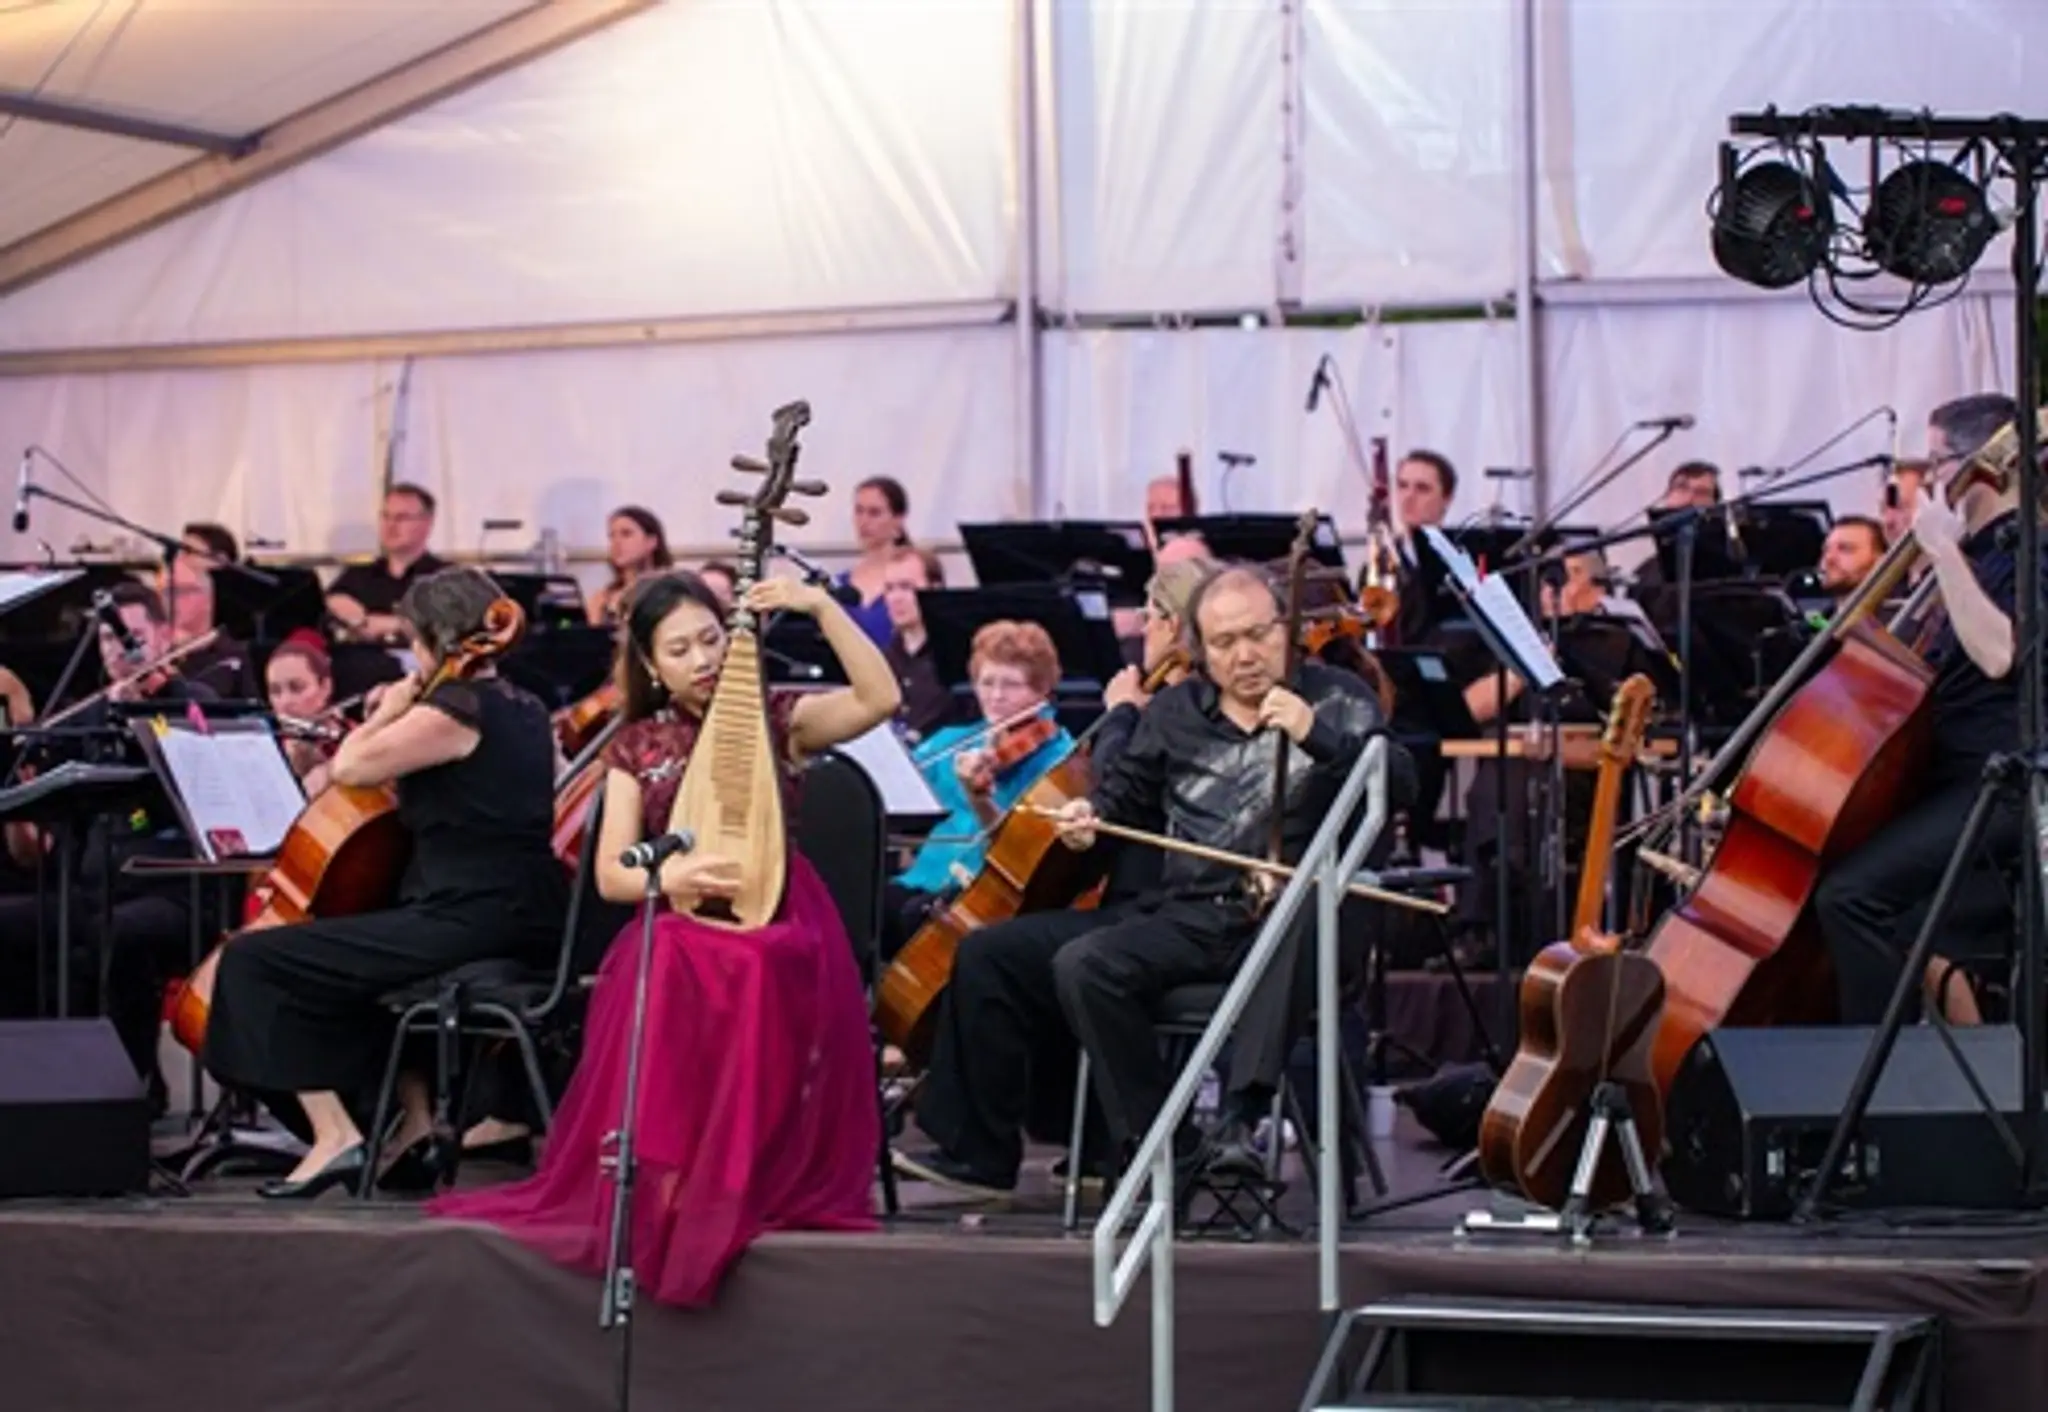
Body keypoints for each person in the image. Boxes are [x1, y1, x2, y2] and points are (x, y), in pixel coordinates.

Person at [428, 568, 900, 1307]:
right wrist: (671, 882)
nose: (703, 659)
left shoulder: (777, 720)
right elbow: (615, 874)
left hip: (777, 920)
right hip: (682, 919)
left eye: (712, 639)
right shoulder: (635, 746)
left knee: (740, 961)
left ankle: (736, 1179)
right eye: (680, 649)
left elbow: (881, 699)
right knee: (670, 952)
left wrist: (819, 606)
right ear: (651, 665)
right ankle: (675, 1177)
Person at [900, 565, 1411, 1194]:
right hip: (1193, 916)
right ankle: (1171, 1146)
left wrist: (1318, 736)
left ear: (1286, 631)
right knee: (1082, 963)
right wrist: (1095, 817)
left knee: (1306, 906)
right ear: (1199, 650)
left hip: (1294, 924)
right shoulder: (1174, 711)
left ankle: (1238, 1120)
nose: (1245, 656)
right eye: (1224, 643)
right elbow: (1126, 796)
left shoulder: (1335, 697)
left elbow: (1401, 783)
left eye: (1258, 636)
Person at [198, 567, 565, 1198]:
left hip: (466, 915)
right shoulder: (526, 707)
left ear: (435, 642)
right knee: (357, 967)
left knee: (256, 961)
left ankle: (336, 1134)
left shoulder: (455, 708)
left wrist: (394, 709)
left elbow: (352, 767)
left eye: (412, 642)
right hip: (529, 911)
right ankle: (413, 1127)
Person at [1814, 393, 2038, 1027]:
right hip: (1954, 782)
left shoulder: (2026, 553)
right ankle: (1960, 1072)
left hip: (2000, 785)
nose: (1929, 484)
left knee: (1851, 897)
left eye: (1937, 464)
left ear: (1982, 466)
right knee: (1884, 905)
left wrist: (1941, 551)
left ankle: (1878, 1096)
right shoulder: (1983, 554)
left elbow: (2000, 654)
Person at [0, 583, 218, 1093]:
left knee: (118, 935)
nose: (119, 651)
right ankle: (26, 1088)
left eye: (132, 637)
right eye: (106, 640)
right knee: (13, 926)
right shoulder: (84, 721)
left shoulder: (194, 705)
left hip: (171, 891)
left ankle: (127, 1089)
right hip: (88, 889)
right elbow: (36, 848)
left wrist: (164, 702)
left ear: (163, 637)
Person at [881, 620, 1071, 958]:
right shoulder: (953, 740)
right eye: (987, 682)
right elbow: (897, 787)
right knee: (858, 905)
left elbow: (1022, 847)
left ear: (1042, 691)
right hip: (924, 879)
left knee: (910, 918)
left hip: (986, 894)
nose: (996, 697)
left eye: (1011, 685)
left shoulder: (1058, 759)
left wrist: (980, 797)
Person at [326, 483, 449, 643]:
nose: (391, 525)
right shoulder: (356, 576)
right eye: (386, 516)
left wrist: (397, 624)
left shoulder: (448, 578)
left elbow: (456, 623)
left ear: (427, 522)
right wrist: (335, 605)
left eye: (402, 518)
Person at [880, 546, 953, 741]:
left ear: (935, 589)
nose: (895, 598)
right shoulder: (882, 660)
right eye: (889, 588)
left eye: (906, 587)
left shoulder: (957, 656)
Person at [837, 476, 911, 646]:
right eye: (859, 511)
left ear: (898, 519)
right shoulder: (839, 583)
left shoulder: (912, 577)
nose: (864, 521)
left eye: (874, 513)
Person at [265, 630, 339, 792]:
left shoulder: (352, 739)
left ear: (325, 687)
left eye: (297, 688)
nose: (285, 702)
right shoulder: (264, 750)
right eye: (275, 691)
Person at [587, 506, 674, 626]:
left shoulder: (671, 590)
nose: (616, 542)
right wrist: (595, 618)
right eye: (611, 536)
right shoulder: (604, 598)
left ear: (651, 542)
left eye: (626, 534)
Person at [1817, 514, 1887, 601]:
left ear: (1880, 560)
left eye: (1845, 549)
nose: (1829, 558)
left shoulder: (1902, 612)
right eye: (1826, 550)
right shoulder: (1821, 614)